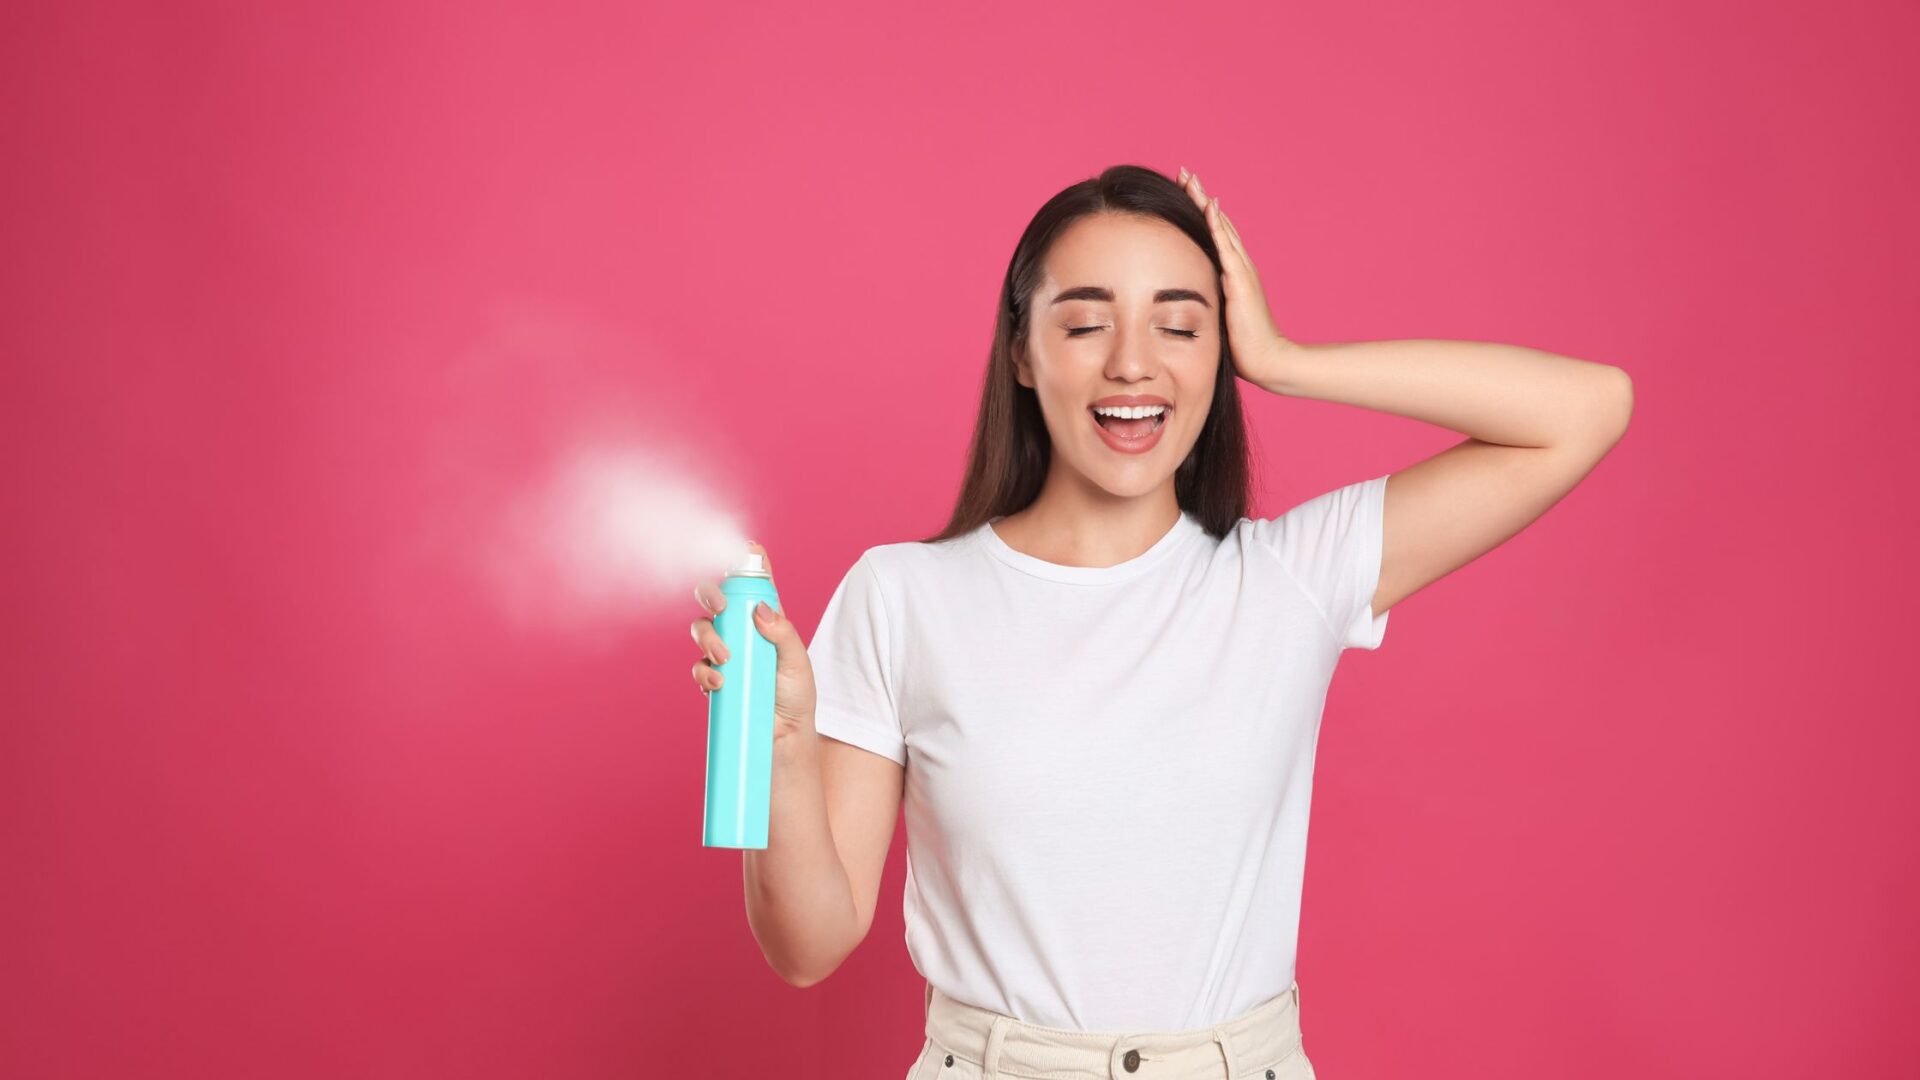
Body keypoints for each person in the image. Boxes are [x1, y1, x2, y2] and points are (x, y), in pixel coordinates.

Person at [690, 164, 1633, 1079]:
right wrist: (784, 753)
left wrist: (1288, 361)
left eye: (1181, 325)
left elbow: (1586, 410)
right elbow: (806, 947)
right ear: (1021, 352)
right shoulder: (902, 596)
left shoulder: (1288, 578)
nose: (1133, 362)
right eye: (1087, 323)